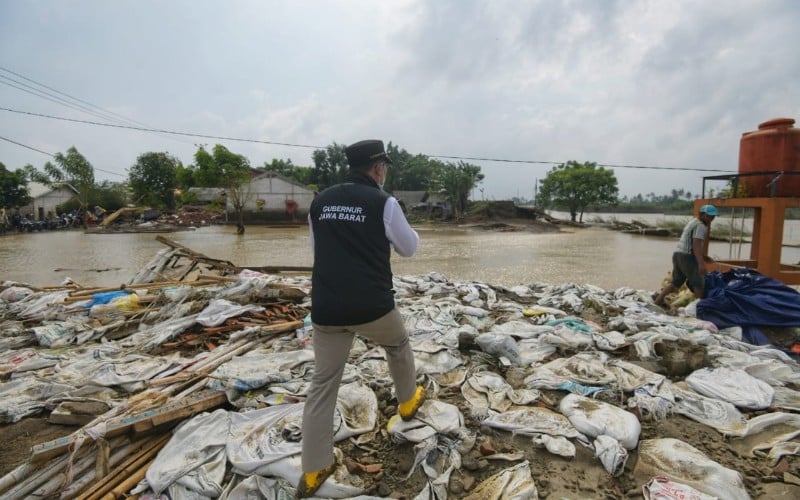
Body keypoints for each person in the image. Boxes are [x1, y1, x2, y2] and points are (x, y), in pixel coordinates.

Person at [298, 139, 425, 497]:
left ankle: (314, 468)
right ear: (379, 168)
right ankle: (407, 402)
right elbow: (409, 248)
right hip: (373, 307)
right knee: (398, 345)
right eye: (384, 166)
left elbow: (317, 250)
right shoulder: (383, 202)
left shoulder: (320, 201)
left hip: (327, 309)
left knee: (323, 384)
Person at [653, 204, 718, 307]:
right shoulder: (701, 225)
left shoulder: (693, 221)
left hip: (678, 254)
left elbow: (691, 243)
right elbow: (696, 244)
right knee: (698, 282)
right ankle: (699, 307)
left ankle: (657, 301)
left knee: (677, 281)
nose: (711, 218)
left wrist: (703, 257)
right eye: (709, 215)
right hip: (687, 256)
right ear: (702, 214)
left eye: (713, 216)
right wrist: (701, 263)